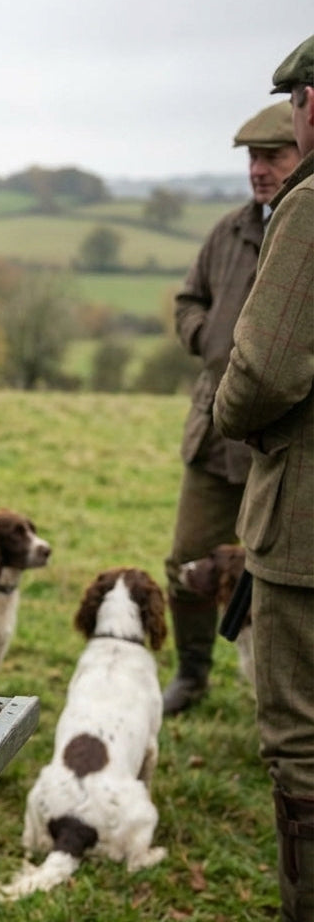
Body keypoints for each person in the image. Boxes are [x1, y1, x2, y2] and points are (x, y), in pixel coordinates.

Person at [213, 34, 314, 922]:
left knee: (302, 747)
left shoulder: (310, 208)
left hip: (307, 526)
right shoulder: (231, 228)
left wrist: (227, 405)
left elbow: (268, 371)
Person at [162, 101, 301, 715]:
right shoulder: (229, 230)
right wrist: (207, 336)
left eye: (273, 156)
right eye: (252, 158)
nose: (259, 170)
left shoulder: (304, 223)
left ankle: (274, 696)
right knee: (184, 560)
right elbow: (189, 299)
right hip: (212, 431)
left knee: (269, 580)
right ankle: (192, 674)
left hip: (281, 440)